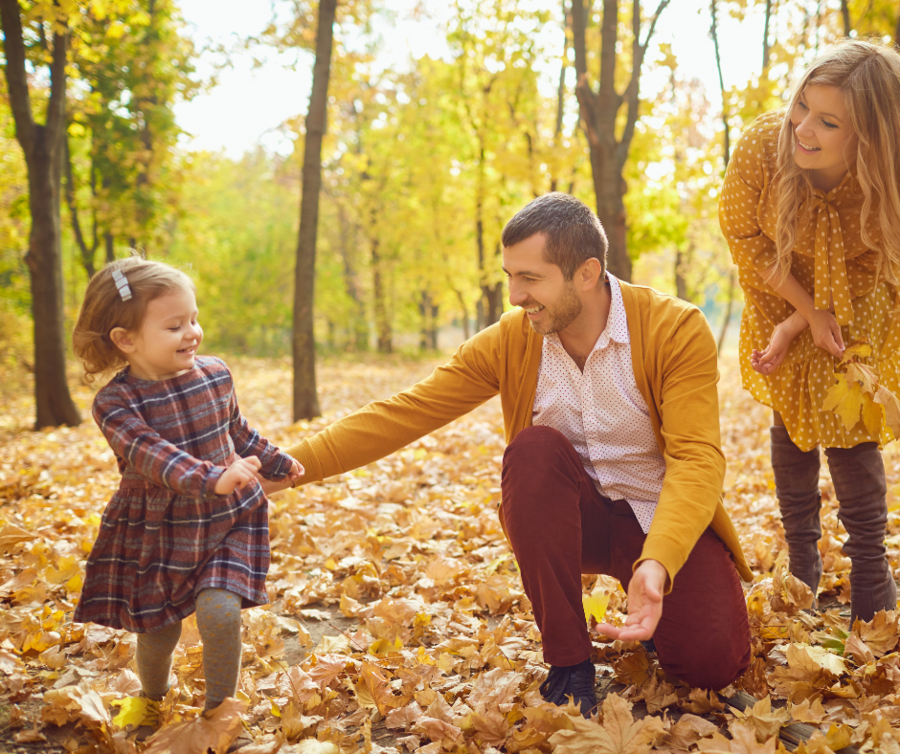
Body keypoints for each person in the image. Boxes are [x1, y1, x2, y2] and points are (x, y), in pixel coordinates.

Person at [270, 192, 753, 716]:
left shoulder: (672, 328)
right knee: (533, 450)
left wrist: (657, 564)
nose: (516, 294)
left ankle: (657, 612)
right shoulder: (513, 339)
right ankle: (570, 661)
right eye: (509, 276)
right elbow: (406, 411)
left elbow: (698, 460)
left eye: (530, 278)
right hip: (573, 523)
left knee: (713, 666)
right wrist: (287, 467)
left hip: (660, 519)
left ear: (586, 273)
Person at [71, 257, 304, 744]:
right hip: (159, 526)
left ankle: (221, 713)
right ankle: (151, 698)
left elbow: (236, 430)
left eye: (194, 318)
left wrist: (276, 460)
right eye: (175, 325)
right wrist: (214, 476)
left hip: (227, 518)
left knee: (219, 610)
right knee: (158, 628)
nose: (192, 332)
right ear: (126, 340)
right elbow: (155, 458)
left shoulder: (215, 374)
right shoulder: (116, 404)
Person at [719, 39, 900, 624]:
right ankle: (803, 564)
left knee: (849, 422)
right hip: (780, 288)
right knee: (791, 417)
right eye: (803, 106)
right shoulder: (762, 148)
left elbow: (868, 265)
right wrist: (796, 317)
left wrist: (817, 320)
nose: (804, 128)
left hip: (856, 302)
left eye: (828, 122)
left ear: (866, 137)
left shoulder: (883, 180)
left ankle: (872, 575)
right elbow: (748, 244)